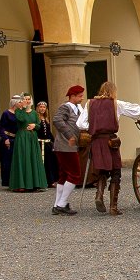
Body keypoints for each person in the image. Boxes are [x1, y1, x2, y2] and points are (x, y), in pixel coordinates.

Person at [77, 81, 140, 215]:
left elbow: (80, 123)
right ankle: (113, 207)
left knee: (102, 171)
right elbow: (133, 110)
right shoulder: (116, 103)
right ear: (113, 91)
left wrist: (93, 128)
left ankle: (99, 196)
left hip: (96, 141)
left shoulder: (89, 104)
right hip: (111, 141)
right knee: (116, 172)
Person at [52, 85, 85, 215]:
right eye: (80, 96)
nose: (82, 98)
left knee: (64, 175)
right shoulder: (65, 107)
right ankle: (61, 204)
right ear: (73, 96)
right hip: (65, 146)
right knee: (75, 174)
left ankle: (58, 205)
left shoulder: (78, 109)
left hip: (69, 146)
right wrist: (69, 135)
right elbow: (57, 120)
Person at [9, 93, 47, 192]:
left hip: (32, 137)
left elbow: (39, 126)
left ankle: (35, 183)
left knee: (33, 158)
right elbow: (21, 119)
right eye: (25, 99)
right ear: (22, 100)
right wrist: (23, 108)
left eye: (28, 99)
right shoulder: (18, 111)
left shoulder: (34, 113)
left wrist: (34, 125)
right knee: (23, 158)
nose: (27, 101)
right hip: (22, 137)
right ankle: (22, 184)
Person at [0, 95, 22, 187]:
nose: (21, 104)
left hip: (17, 139)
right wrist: (5, 138)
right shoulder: (6, 113)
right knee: (7, 161)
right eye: (19, 102)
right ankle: (7, 181)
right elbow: (1, 127)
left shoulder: (20, 114)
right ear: (15, 103)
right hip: (8, 139)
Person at [36, 101, 59, 187]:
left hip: (47, 144)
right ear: (38, 108)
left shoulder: (46, 119)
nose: (42, 109)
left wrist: (53, 142)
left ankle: (51, 180)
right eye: (41, 107)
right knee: (43, 162)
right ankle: (43, 181)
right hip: (39, 143)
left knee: (50, 162)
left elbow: (49, 133)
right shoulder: (36, 119)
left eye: (44, 107)